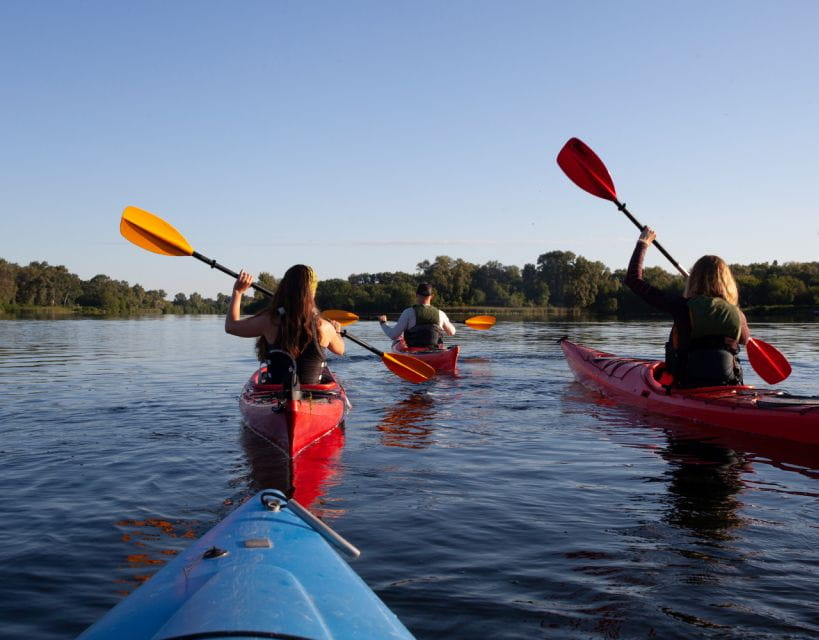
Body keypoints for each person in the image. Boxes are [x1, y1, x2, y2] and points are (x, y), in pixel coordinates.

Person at [625, 227, 749, 388]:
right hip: (729, 385)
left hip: (687, 385)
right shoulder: (738, 315)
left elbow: (633, 280)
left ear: (694, 279)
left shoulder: (681, 307)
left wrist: (643, 243)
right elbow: (745, 340)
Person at [225, 264, 344, 385]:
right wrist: (337, 332)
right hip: (314, 396)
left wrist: (238, 292)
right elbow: (340, 350)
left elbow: (231, 327)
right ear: (313, 292)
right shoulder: (324, 327)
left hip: (276, 394)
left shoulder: (269, 321)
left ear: (285, 288)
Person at [378, 282, 456, 349]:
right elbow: (452, 332)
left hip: (414, 353)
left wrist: (383, 323)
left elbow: (393, 335)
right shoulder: (440, 314)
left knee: (397, 340)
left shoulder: (408, 312)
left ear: (416, 295)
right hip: (435, 352)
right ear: (432, 296)